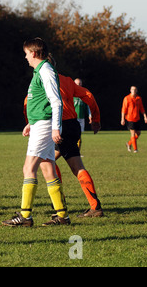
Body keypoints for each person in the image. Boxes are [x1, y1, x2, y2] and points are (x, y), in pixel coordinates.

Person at [2, 38, 69, 227]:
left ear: (33, 53)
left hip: (45, 126)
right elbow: (40, 101)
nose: (25, 57)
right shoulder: (40, 71)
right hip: (40, 124)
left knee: (28, 168)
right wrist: (31, 123)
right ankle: (62, 216)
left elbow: (56, 101)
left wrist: (56, 127)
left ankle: (25, 217)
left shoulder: (45, 70)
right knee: (47, 168)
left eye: (26, 53)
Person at [54, 74, 103, 217]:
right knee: (77, 167)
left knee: (45, 161)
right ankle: (95, 207)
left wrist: (30, 122)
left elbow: (30, 102)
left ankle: (59, 203)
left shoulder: (42, 77)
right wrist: (96, 118)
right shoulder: (67, 80)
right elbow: (88, 94)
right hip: (72, 125)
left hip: (58, 126)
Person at [121, 86, 147, 153]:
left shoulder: (139, 98)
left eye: (135, 89)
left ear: (137, 91)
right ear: (130, 90)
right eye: (132, 89)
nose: (134, 90)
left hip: (137, 118)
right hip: (130, 118)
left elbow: (142, 108)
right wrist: (122, 119)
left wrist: (145, 116)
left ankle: (129, 143)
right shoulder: (127, 98)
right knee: (133, 133)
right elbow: (124, 109)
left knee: (138, 133)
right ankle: (135, 149)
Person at [73, 78, 92, 150]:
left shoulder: (84, 94)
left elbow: (88, 106)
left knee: (79, 136)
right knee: (73, 135)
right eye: (77, 84)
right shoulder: (70, 93)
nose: (78, 85)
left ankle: (77, 152)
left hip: (81, 118)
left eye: (80, 84)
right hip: (72, 118)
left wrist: (90, 115)